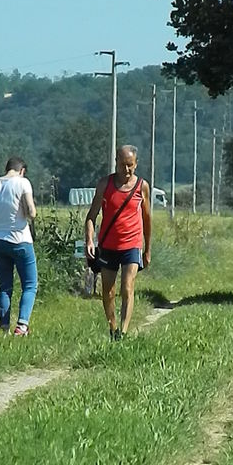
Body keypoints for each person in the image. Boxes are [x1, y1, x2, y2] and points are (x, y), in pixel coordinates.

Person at [85, 145, 152, 340]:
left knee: (127, 286)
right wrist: (89, 240)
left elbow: (147, 220)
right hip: (108, 245)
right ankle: (112, 328)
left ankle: (123, 331)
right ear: (116, 162)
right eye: (122, 165)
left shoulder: (142, 186)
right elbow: (91, 216)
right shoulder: (104, 184)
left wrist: (147, 250)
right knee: (108, 289)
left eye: (130, 165)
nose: (126, 169)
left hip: (132, 244)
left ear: (136, 164)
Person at [0, 157, 37, 336]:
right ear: (22, 170)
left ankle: (4, 327)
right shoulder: (23, 183)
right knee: (30, 284)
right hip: (20, 240)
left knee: (5, 286)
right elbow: (31, 212)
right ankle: (21, 326)